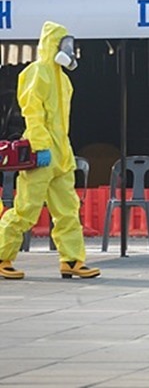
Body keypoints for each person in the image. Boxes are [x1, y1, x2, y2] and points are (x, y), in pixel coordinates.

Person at [0, 21, 100, 280]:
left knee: (68, 210)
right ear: (52, 44)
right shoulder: (36, 72)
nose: (69, 50)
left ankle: (72, 260)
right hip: (41, 154)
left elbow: (61, 122)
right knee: (26, 209)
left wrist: (62, 152)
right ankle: (2, 256)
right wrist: (40, 146)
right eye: (65, 44)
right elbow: (32, 111)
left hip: (61, 155)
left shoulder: (63, 80)